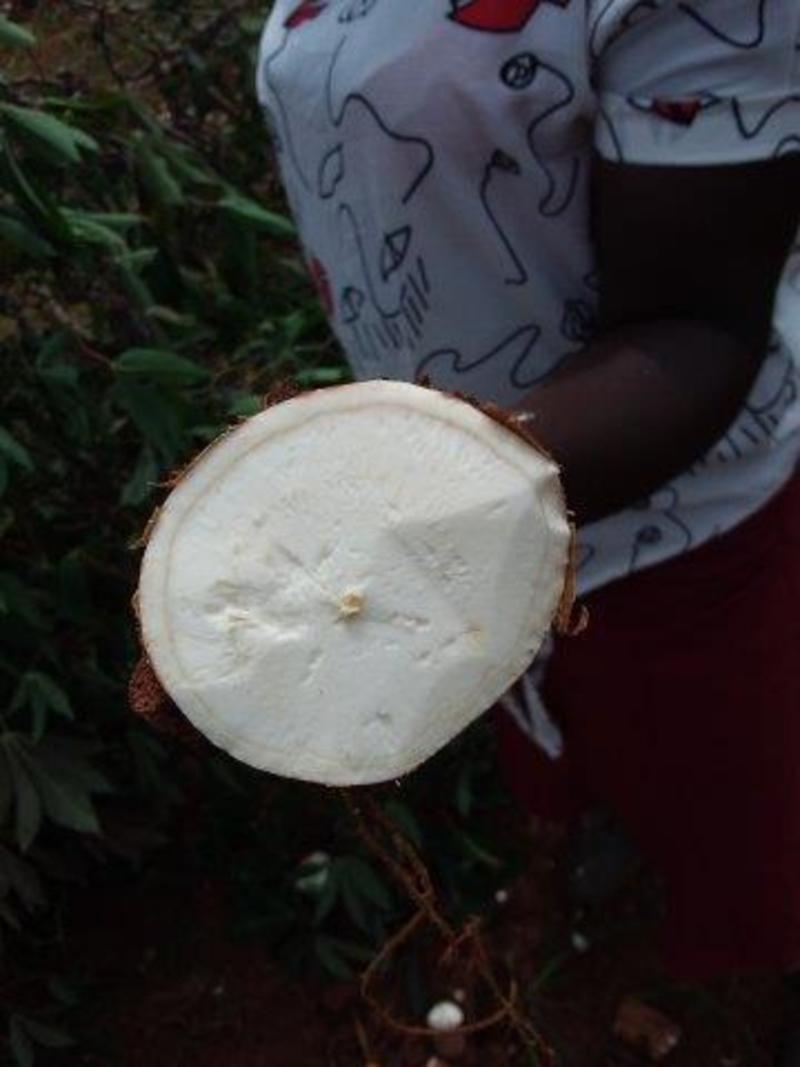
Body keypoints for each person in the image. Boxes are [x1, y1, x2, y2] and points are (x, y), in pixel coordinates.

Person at [256, 0, 800, 1059]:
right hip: (468, 499)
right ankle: (583, 842)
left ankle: (740, 988)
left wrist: (428, 499)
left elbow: (694, 323)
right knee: (556, 714)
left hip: (671, 527)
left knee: (733, 805)